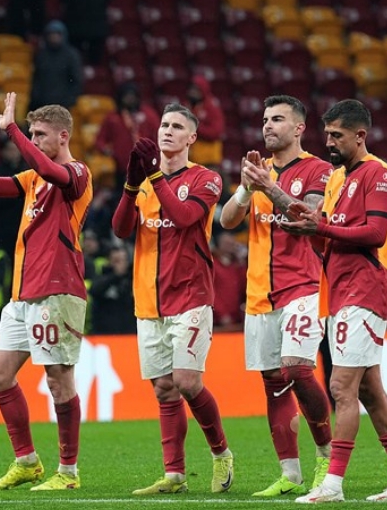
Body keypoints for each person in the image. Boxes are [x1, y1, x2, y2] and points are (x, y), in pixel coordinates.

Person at [278, 99, 387, 504]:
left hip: (366, 288)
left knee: (341, 386)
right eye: (326, 134)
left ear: (360, 136)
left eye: (336, 135)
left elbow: (375, 232)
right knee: (370, 391)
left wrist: (322, 228)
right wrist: (309, 228)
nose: (328, 142)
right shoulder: (337, 179)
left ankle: (333, 484)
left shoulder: (380, 174)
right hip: (340, 290)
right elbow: (328, 236)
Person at [111, 103, 234, 495]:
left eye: (177, 126)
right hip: (149, 300)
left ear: (192, 137)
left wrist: (152, 176)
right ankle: (175, 474)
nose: (167, 131)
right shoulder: (146, 183)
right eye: (164, 125)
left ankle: (221, 453)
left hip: (191, 296)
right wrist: (131, 185)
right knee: (164, 388)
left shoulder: (206, 179)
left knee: (186, 381)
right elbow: (121, 229)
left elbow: (183, 217)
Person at [219, 95, 334, 497]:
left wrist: (268, 187)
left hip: (302, 285)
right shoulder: (259, 170)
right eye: (265, 119)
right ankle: (290, 473)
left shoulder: (318, 169)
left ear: (299, 128)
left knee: (298, 370)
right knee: (273, 382)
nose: (268, 125)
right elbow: (226, 221)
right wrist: (246, 189)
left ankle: (326, 456)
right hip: (258, 293)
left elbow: (308, 217)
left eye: (278, 119)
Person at [0, 92, 93, 491]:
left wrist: (10, 130)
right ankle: (27, 461)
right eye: (31, 133)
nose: (33, 139)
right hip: (22, 293)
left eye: (39, 134)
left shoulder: (77, 173)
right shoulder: (32, 179)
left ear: (63, 136)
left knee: (59, 380)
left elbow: (47, 167)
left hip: (57, 289)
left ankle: (68, 472)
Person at [29, 20, 83, 111]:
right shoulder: (42, 55)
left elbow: (76, 80)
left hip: (63, 104)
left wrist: (69, 101)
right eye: (51, 34)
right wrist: (36, 98)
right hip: (42, 103)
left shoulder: (71, 56)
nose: (54, 37)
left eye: (57, 34)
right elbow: (36, 79)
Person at [186, 75, 226, 168]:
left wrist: (196, 127)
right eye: (192, 89)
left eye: (196, 90)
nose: (192, 92)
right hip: (191, 160)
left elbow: (216, 132)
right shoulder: (190, 106)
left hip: (209, 161)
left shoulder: (212, 107)